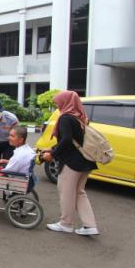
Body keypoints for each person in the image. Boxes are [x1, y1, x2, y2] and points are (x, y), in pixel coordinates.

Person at [41, 90, 99, 236]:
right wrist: (52, 148)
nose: (57, 105)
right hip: (85, 161)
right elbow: (73, 141)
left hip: (72, 163)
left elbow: (66, 140)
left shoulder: (65, 118)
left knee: (66, 192)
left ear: (65, 102)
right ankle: (90, 225)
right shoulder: (80, 117)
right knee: (79, 193)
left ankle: (66, 223)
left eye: (58, 102)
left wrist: (52, 154)